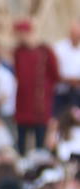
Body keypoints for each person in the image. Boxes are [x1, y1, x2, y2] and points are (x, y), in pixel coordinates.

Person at [12, 19, 58, 155]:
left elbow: (55, 75)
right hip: (23, 104)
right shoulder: (18, 52)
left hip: (40, 106)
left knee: (40, 145)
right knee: (22, 145)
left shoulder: (45, 52)